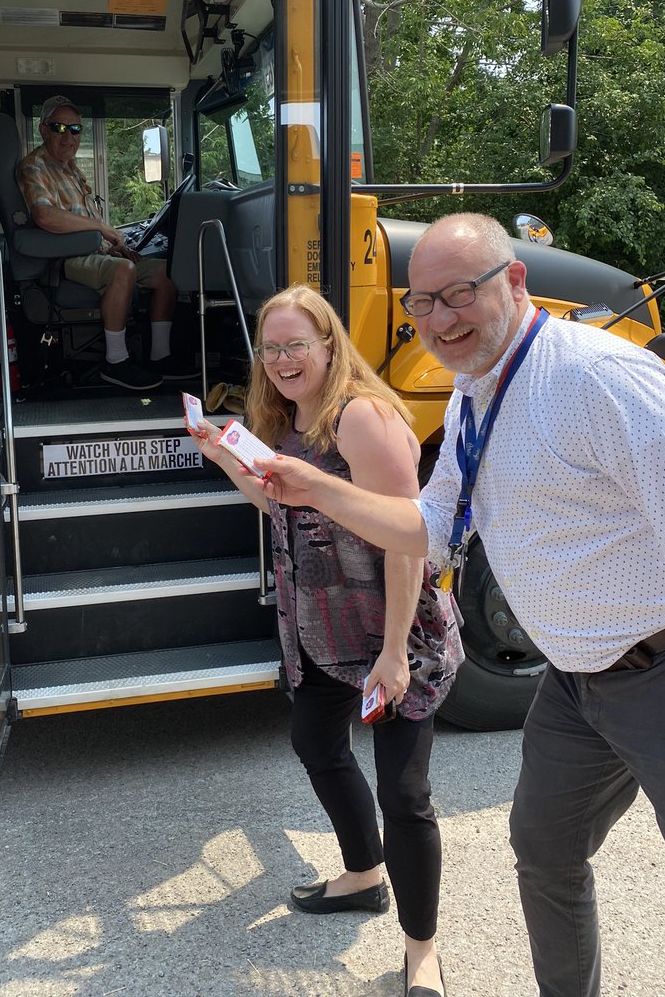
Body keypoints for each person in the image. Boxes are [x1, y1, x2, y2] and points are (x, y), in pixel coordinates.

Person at [259, 215, 665, 997]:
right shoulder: (473, 394)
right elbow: (425, 525)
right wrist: (315, 486)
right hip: (574, 679)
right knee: (546, 852)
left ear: (515, 282)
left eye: (459, 294)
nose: (440, 319)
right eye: (422, 303)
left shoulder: (596, 377)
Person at [189, 285, 463, 997]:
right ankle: (365, 873)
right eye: (270, 347)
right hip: (316, 629)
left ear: (329, 346)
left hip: (390, 633)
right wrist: (225, 457)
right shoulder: (286, 418)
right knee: (316, 746)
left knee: (405, 795)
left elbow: (409, 542)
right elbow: (281, 500)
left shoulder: (359, 419)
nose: (281, 359)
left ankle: (421, 950)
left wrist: (396, 652)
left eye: (295, 345)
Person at [17, 95, 198, 391]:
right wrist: (101, 228)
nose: (68, 137)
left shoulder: (70, 168)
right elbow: (45, 216)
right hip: (65, 259)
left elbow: (83, 221)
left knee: (167, 272)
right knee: (123, 270)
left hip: (93, 252)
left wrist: (110, 245)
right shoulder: (34, 166)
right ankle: (116, 362)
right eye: (59, 128)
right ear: (43, 130)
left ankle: (160, 356)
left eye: (75, 130)